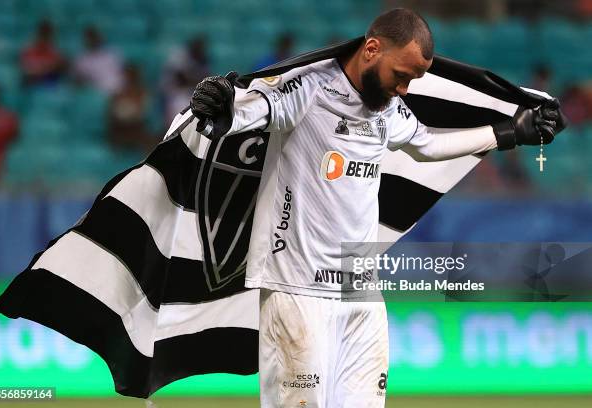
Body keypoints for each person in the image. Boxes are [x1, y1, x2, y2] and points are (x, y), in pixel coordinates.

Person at [188, 8, 565, 407]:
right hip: (298, 287)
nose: (403, 89)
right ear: (371, 49)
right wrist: (222, 105)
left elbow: (427, 144)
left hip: (358, 287)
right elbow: (253, 109)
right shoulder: (309, 88)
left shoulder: (385, 108)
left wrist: (508, 133)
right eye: (400, 75)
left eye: (411, 81)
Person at [72, 26, 124, 94]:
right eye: (90, 38)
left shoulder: (114, 53)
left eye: (95, 37)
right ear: (86, 40)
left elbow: (123, 73)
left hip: (117, 89)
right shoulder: (81, 59)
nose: (93, 40)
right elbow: (77, 80)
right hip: (95, 92)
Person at [19, 20, 67, 87]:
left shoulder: (57, 54)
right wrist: (45, 69)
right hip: (32, 85)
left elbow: (59, 69)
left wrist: (42, 70)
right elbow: (25, 70)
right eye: (42, 34)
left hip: (50, 85)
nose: (44, 38)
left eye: (47, 34)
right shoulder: (28, 51)